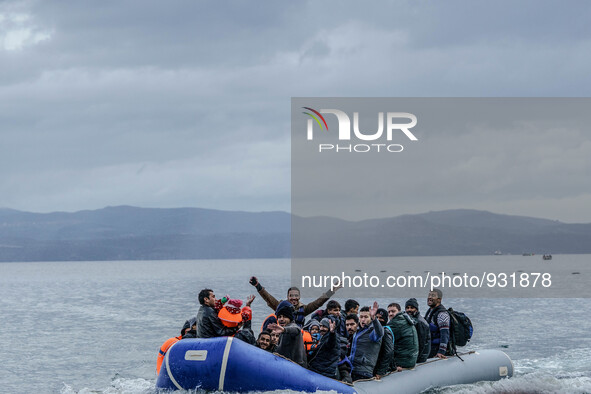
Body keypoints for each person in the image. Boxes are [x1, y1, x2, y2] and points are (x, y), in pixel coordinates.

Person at [249, 276, 338, 327]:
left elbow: (319, 302)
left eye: (296, 296)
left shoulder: (304, 309)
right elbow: (268, 298)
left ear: (299, 297)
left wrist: (331, 291)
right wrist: (258, 286)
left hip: (298, 336)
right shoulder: (280, 306)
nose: (294, 298)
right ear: (287, 297)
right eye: (291, 296)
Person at [346, 302, 384, 381]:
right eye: (361, 317)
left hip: (364, 371)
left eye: (366, 317)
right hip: (353, 369)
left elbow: (380, 333)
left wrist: (374, 318)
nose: (363, 319)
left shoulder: (373, 331)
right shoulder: (358, 331)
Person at [267, 300, 307, 367]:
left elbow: (296, 330)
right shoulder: (282, 330)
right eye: (279, 317)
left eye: (285, 317)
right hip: (284, 365)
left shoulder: (292, 327)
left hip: (297, 367)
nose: (281, 319)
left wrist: (284, 329)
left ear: (290, 318)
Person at [386, 302, 418, 369]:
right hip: (411, 359)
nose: (390, 314)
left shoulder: (396, 323)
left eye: (393, 311)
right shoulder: (406, 319)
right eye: (389, 312)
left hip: (403, 361)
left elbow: (383, 339)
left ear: (399, 311)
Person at [424, 288, 450, 359]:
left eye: (433, 295)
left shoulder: (442, 314)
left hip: (436, 349)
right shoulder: (430, 312)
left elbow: (445, 334)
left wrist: (441, 351)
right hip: (430, 347)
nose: (429, 297)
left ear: (439, 299)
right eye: (429, 295)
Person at [405, 298, 431, 363]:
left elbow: (421, 344)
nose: (409, 310)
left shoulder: (420, 323)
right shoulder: (412, 320)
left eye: (411, 308)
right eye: (407, 308)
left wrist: (415, 360)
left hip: (421, 357)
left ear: (416, 309)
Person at [374, 309, 395, 378]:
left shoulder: (385, 332)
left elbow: (389, 351)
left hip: (381, 367)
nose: (378, 320)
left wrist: (380, 372)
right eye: (376, 317)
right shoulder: (374, 331)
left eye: (381, 318)